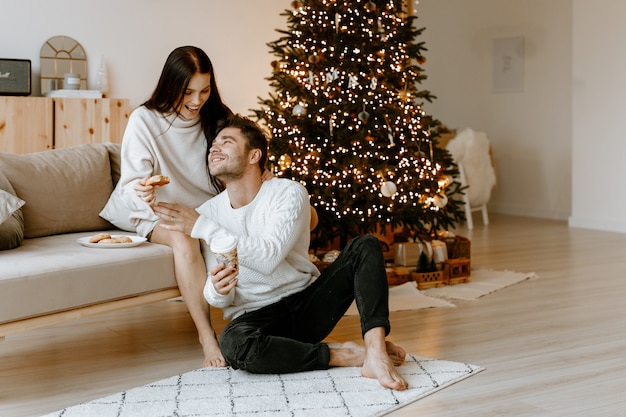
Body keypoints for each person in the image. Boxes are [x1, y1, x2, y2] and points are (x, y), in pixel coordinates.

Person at [153, 114, 409, 390]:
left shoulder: (287, 193)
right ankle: (344, 354)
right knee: (234, 345)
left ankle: (376, 351)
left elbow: (268, 257)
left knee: (365, 245)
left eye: (226, 142)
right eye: (213, 144)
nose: (214, 148)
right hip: (255, 317)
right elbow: (218, 298)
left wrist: (204, 227)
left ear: (254, 155)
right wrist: (218, 289)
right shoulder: (207, 214)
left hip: (306, 303)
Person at [100, 46, 233, 367]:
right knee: (182, 238)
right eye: (187, 92)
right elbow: (135, 183)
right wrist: (144, 193)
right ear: (170, 86)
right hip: (152, 208)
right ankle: (206, 336)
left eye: (204, 90)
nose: (196, 101)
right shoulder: (144, 120)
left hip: (202, 210)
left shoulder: (218, 120)